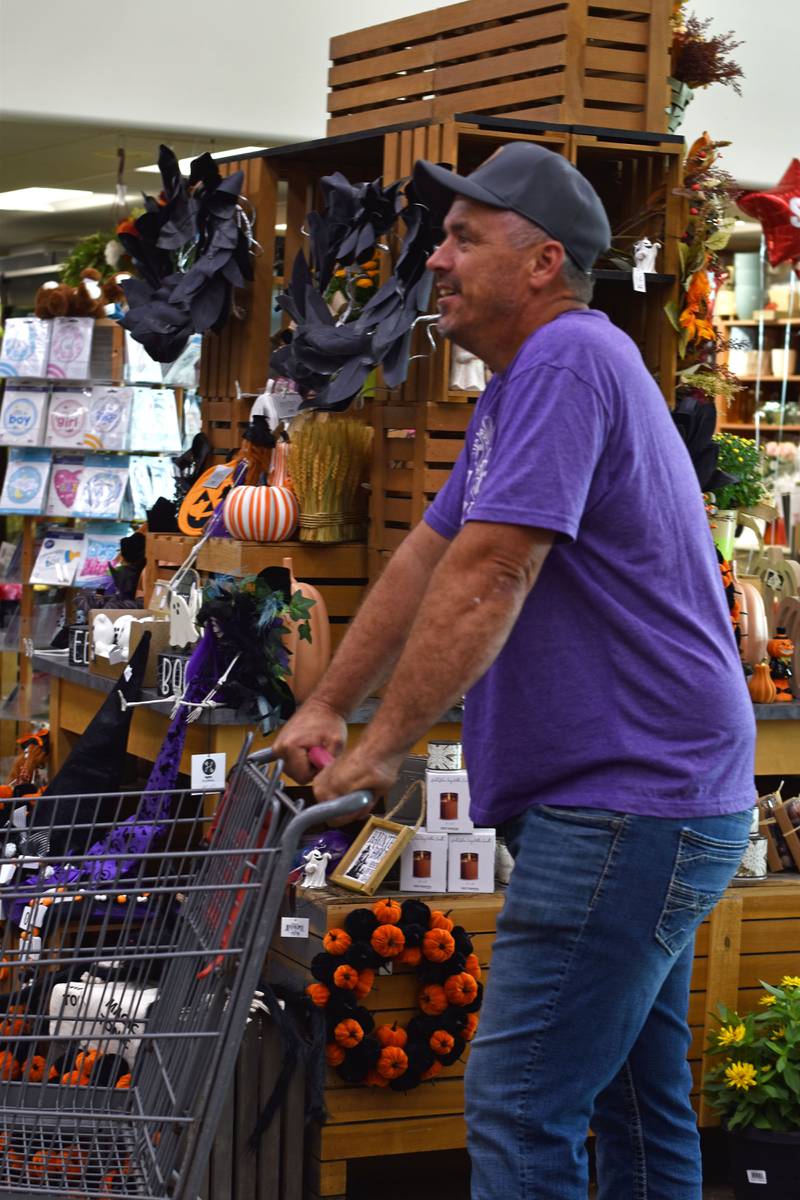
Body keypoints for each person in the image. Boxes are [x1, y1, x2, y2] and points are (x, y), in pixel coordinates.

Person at [274, 142, 756, 1200]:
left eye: (462, 237)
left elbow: (492, 574)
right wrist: (325, 703)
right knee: (633, 1105)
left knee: (519, 1103)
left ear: (541, 263)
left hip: (626, 800)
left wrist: (381, 748)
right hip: (647, 795)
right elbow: (425, 558)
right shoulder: (524, 387)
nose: (434, 260)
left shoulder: (567, 361)